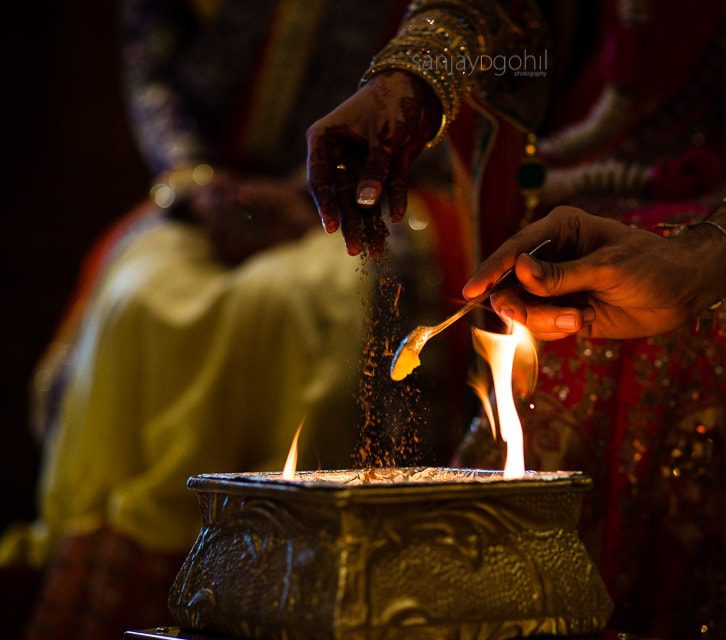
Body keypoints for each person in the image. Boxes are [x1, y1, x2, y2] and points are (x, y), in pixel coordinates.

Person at [305, 0, 726, 636]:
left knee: (635, 325)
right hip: (610, 182)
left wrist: (713, 254)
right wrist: (413, 81)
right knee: (558, 295)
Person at [0, 1, 427, 638]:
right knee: (140, 300)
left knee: (291, 303)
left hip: (367, 193)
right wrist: (197, 185)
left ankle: (285, 568)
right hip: (209, 196)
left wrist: (304, 193)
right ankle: (119, 570)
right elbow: (155, 75)